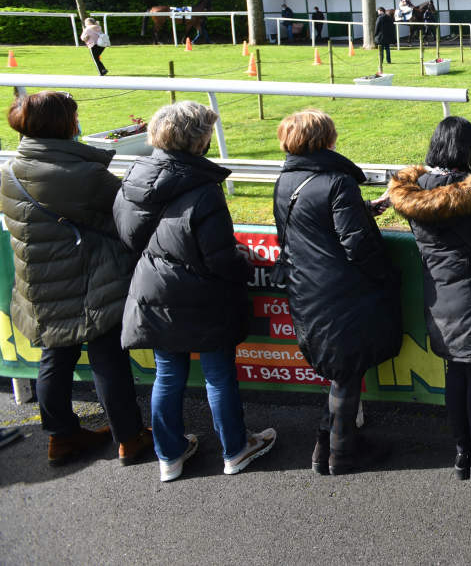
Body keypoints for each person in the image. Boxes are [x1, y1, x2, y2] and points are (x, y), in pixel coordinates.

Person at [115, 101, 277, 482]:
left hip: (152, 288)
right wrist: (247, 263)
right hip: (203, 296)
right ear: (199, 140)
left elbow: (127, 237)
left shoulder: (134, 174)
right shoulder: (204, 189)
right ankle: (236, 450)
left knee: (168, 374)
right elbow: (220, 258)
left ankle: (169, 456)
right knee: (218, 375)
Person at [0, 91, 153, 467]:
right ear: (63, 124)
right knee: (107, 357)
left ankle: (61, 438)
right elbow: (128, 212)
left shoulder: (8, 170)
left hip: (38, 282)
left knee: (55, 355)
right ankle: (129, 438)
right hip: (89, 278)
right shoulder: (83, 174)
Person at [386, 116, 471, 481]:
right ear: (468, 149)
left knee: (455, 372)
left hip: (439, 297)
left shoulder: (414, 194)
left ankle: (462, 453)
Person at [273, 109, 401, 476]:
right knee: (346, 372)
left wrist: (366, 209)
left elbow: (312, 223)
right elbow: (356, 245)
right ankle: (342, 454)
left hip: (305, 289)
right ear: (325, 141)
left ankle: (324, 447)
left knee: (339, 370)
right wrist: (388, 276)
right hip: (339, 292)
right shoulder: (336, 182)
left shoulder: (286, 180)